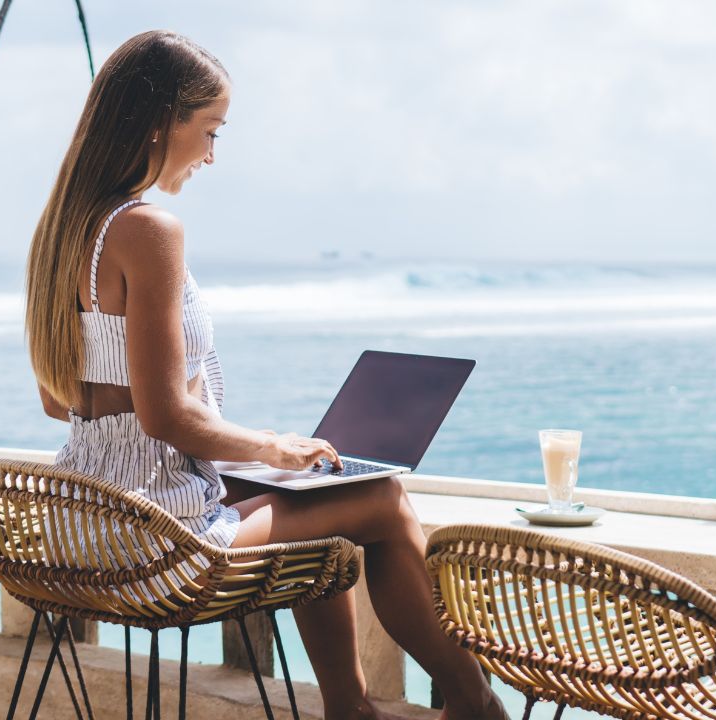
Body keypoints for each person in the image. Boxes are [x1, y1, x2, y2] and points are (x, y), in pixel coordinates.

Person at [25, 30, 507, 720]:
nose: (213, 155)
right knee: (385, 501)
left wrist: (235, 452)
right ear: (162, 123)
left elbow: (59, 401)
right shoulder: (147, 230)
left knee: (315, 507)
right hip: (154, 542)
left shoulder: (63, 231)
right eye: (210, 131)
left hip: (85, 523)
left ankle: (353, 707)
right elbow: (162, 417)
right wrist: (269, 447)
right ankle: (473, 701)